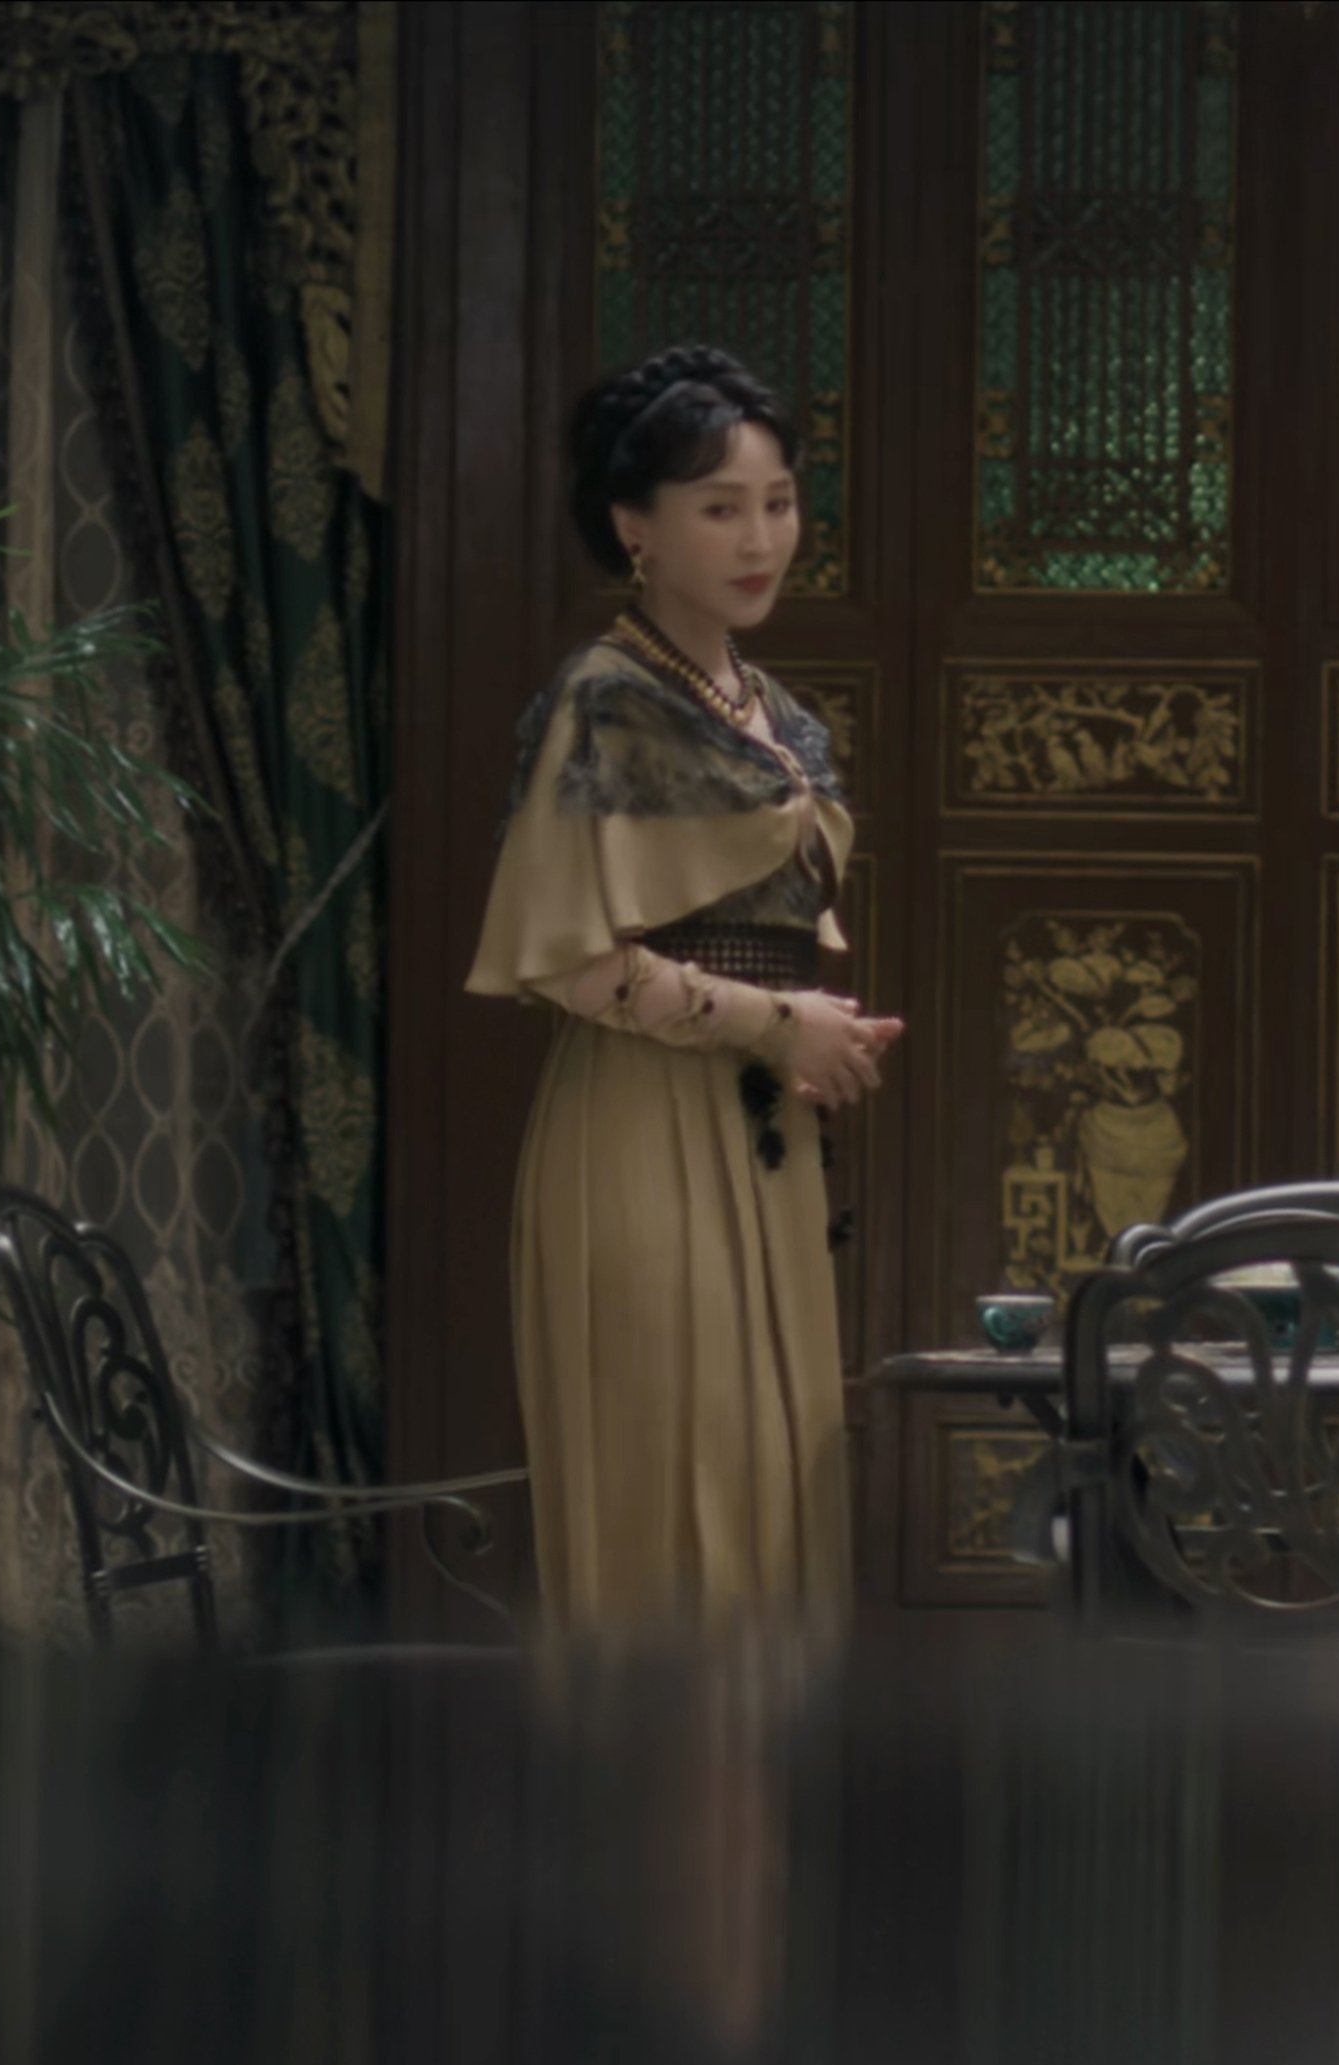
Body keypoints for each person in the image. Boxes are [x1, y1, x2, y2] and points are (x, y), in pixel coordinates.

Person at [466, 345, 905, 1633]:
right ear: (635, 528)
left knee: (773, 1507)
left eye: (778, 502)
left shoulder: (772, 709)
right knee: (674, 1508)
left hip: (761, 1136)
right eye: (720, 508)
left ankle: (756, 1767)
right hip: (641, 1129)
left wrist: (809, 1036)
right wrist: (782, 1023)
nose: (760, 539)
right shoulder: (607, 701)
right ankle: (653, 1763)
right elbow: (567, 957)